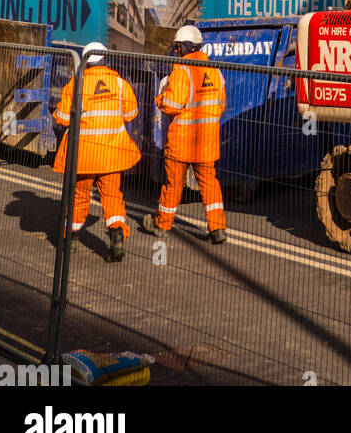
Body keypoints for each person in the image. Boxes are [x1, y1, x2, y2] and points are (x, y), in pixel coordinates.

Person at [52, 42, 140, 263]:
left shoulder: (76, 83)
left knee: (79, 196)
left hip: (84, 154)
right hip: (111, 154)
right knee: (112, 196)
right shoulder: (120, 84)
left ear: (85, 62)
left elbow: (62, 118)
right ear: (105, 60)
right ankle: (117, 232)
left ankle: (69, 238)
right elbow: (131, 113)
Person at [142, 25, 227, 244]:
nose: (176, 51)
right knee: (209, 184)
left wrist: (161, 96)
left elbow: (171, 104)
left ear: (184, 47)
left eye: (178, 46)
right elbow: (220, 104)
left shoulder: (182, 70)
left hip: (182, 142)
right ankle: (217, 229)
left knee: (173, 185)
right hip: (207, 141)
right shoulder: (215, 71)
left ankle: (162, 224)